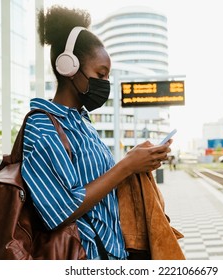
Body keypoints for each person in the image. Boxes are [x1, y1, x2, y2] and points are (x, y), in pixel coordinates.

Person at [21, 6, 172, 260]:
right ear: (68, 67)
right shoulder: (42, 127)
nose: (105, 83)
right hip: (85, 256)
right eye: (100, 74)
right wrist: (125, 167)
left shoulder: (83, 123)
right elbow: (60, 210)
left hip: (113, 253)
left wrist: (136, 161)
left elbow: (101, 185)